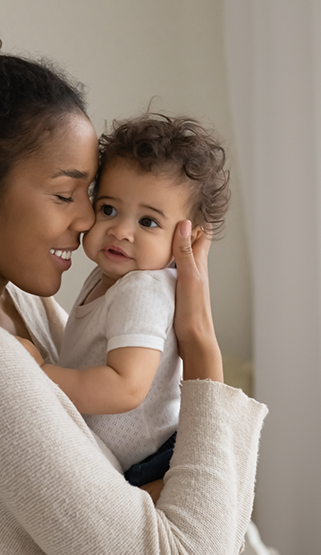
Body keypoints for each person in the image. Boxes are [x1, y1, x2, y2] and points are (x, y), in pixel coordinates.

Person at [0, 9, 268, 554]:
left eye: (88, 196)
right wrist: (199, 342)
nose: (86, 222)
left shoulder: (12, 306)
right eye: (65, 195)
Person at [23, 115, 230, 488]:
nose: (120, 230)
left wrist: (39, 375)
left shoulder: (142, 289)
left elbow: (125, 387)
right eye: (108, 209)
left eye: (148, 222)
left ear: (187, 239)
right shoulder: (110, 277)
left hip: (153, 462)